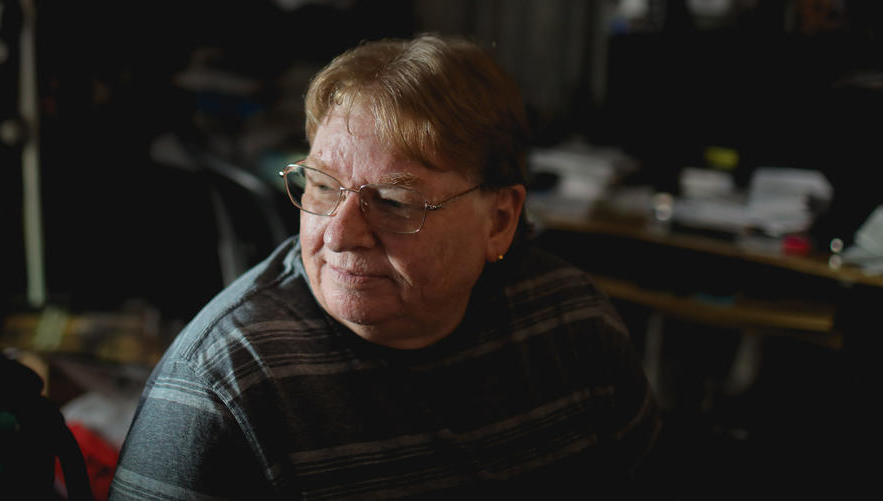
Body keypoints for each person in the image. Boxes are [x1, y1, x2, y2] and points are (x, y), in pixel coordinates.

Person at [109, 34, 661, 499]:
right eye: (323, 186)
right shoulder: (219, 393)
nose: (341, 233)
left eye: (395, 203)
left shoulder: (574, 326)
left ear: (498, 220)